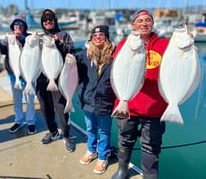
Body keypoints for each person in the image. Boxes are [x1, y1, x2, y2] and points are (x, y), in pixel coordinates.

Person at [111, 9, 169, 179]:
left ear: (153, 23)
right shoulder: (124, 44)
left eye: (148, 20)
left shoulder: (164, 44)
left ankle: (150, 174)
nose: (144, 24)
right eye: (140, 21)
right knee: (125, 139)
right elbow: (116, 70)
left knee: (151, 145)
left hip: (155, 108)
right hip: (127, 105)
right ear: (133, 25)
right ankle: (122, 169)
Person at [71, 25, 116, 174]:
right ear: (91, 38)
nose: (98, 37)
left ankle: (102, 156)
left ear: (107, 37)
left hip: (107, 100)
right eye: (95, 35)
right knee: (90, 128)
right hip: (87, 99)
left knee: (104, 131)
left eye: (101, 35)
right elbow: (70, 65)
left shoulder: (115, 56)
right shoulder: (84, 55)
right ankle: (91, 150)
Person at [36, 9, 75, 152]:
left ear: (55, 20)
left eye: (50, 19)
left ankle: (66, 135)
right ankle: (53, 132)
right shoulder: (39, 37)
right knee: (45, 108)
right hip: (42, 79)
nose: (48, 22)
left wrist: (59, 44)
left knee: (60, 108)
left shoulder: (63, 35)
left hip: (58, 79)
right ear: (42, 23)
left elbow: (71, 53)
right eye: (45, 20)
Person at [0, 13, 36, 134]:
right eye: (16, 24)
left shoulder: (29, 38)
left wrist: (22, 39)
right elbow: (2, 50)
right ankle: (18, 121)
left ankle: (31, 121)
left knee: (30, 101)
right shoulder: (8, 39)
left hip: (28, 76)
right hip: (14, 77)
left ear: (24, 26)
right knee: (17, 100)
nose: (18, 26)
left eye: (21, 24)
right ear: (13, 26)